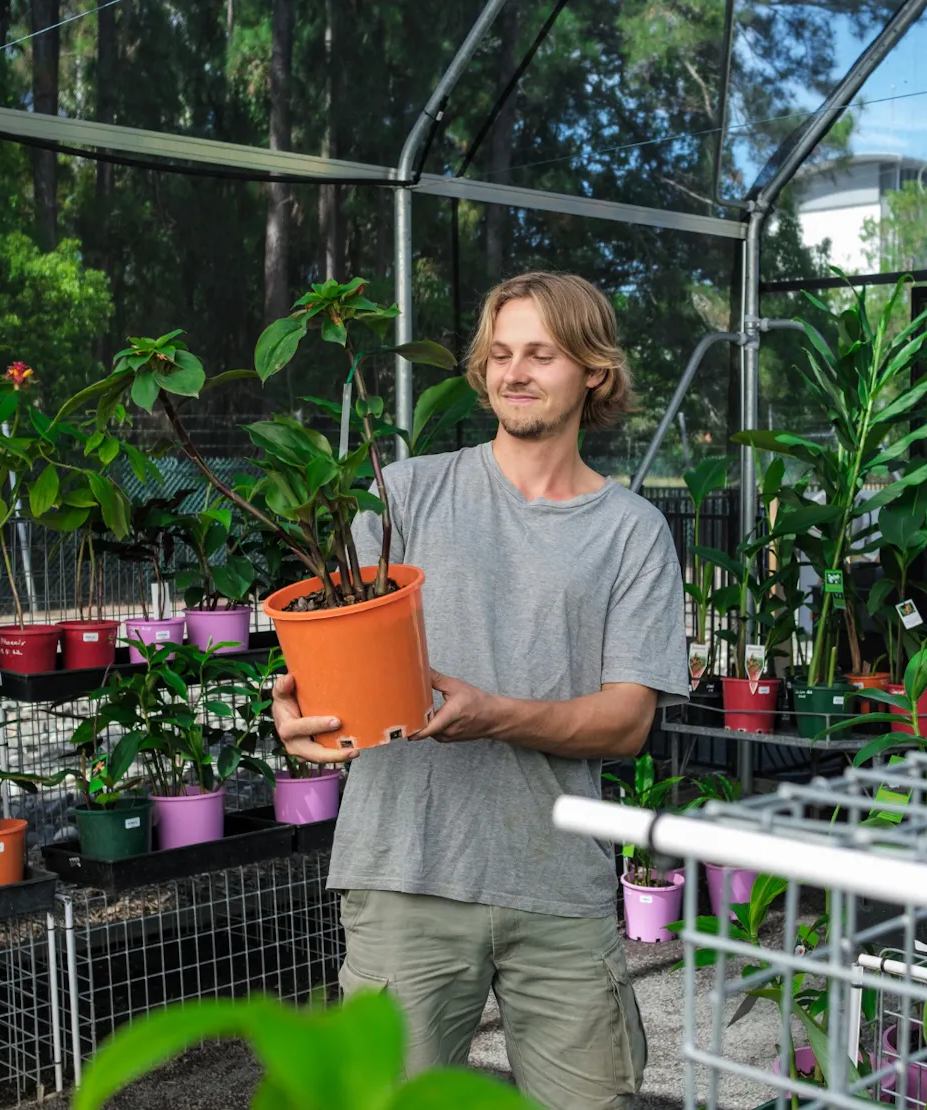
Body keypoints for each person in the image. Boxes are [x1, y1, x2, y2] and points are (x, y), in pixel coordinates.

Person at [272, 272, 689, 1110]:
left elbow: (626, 723)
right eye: (499, 354)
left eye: (541, 353)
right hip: (404, 875)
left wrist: (494, 715)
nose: (514, 372)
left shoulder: (631, 532)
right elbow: (326, 649)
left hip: (559, 885)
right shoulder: (402, 496)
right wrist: (291, 705)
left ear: (594, 373)